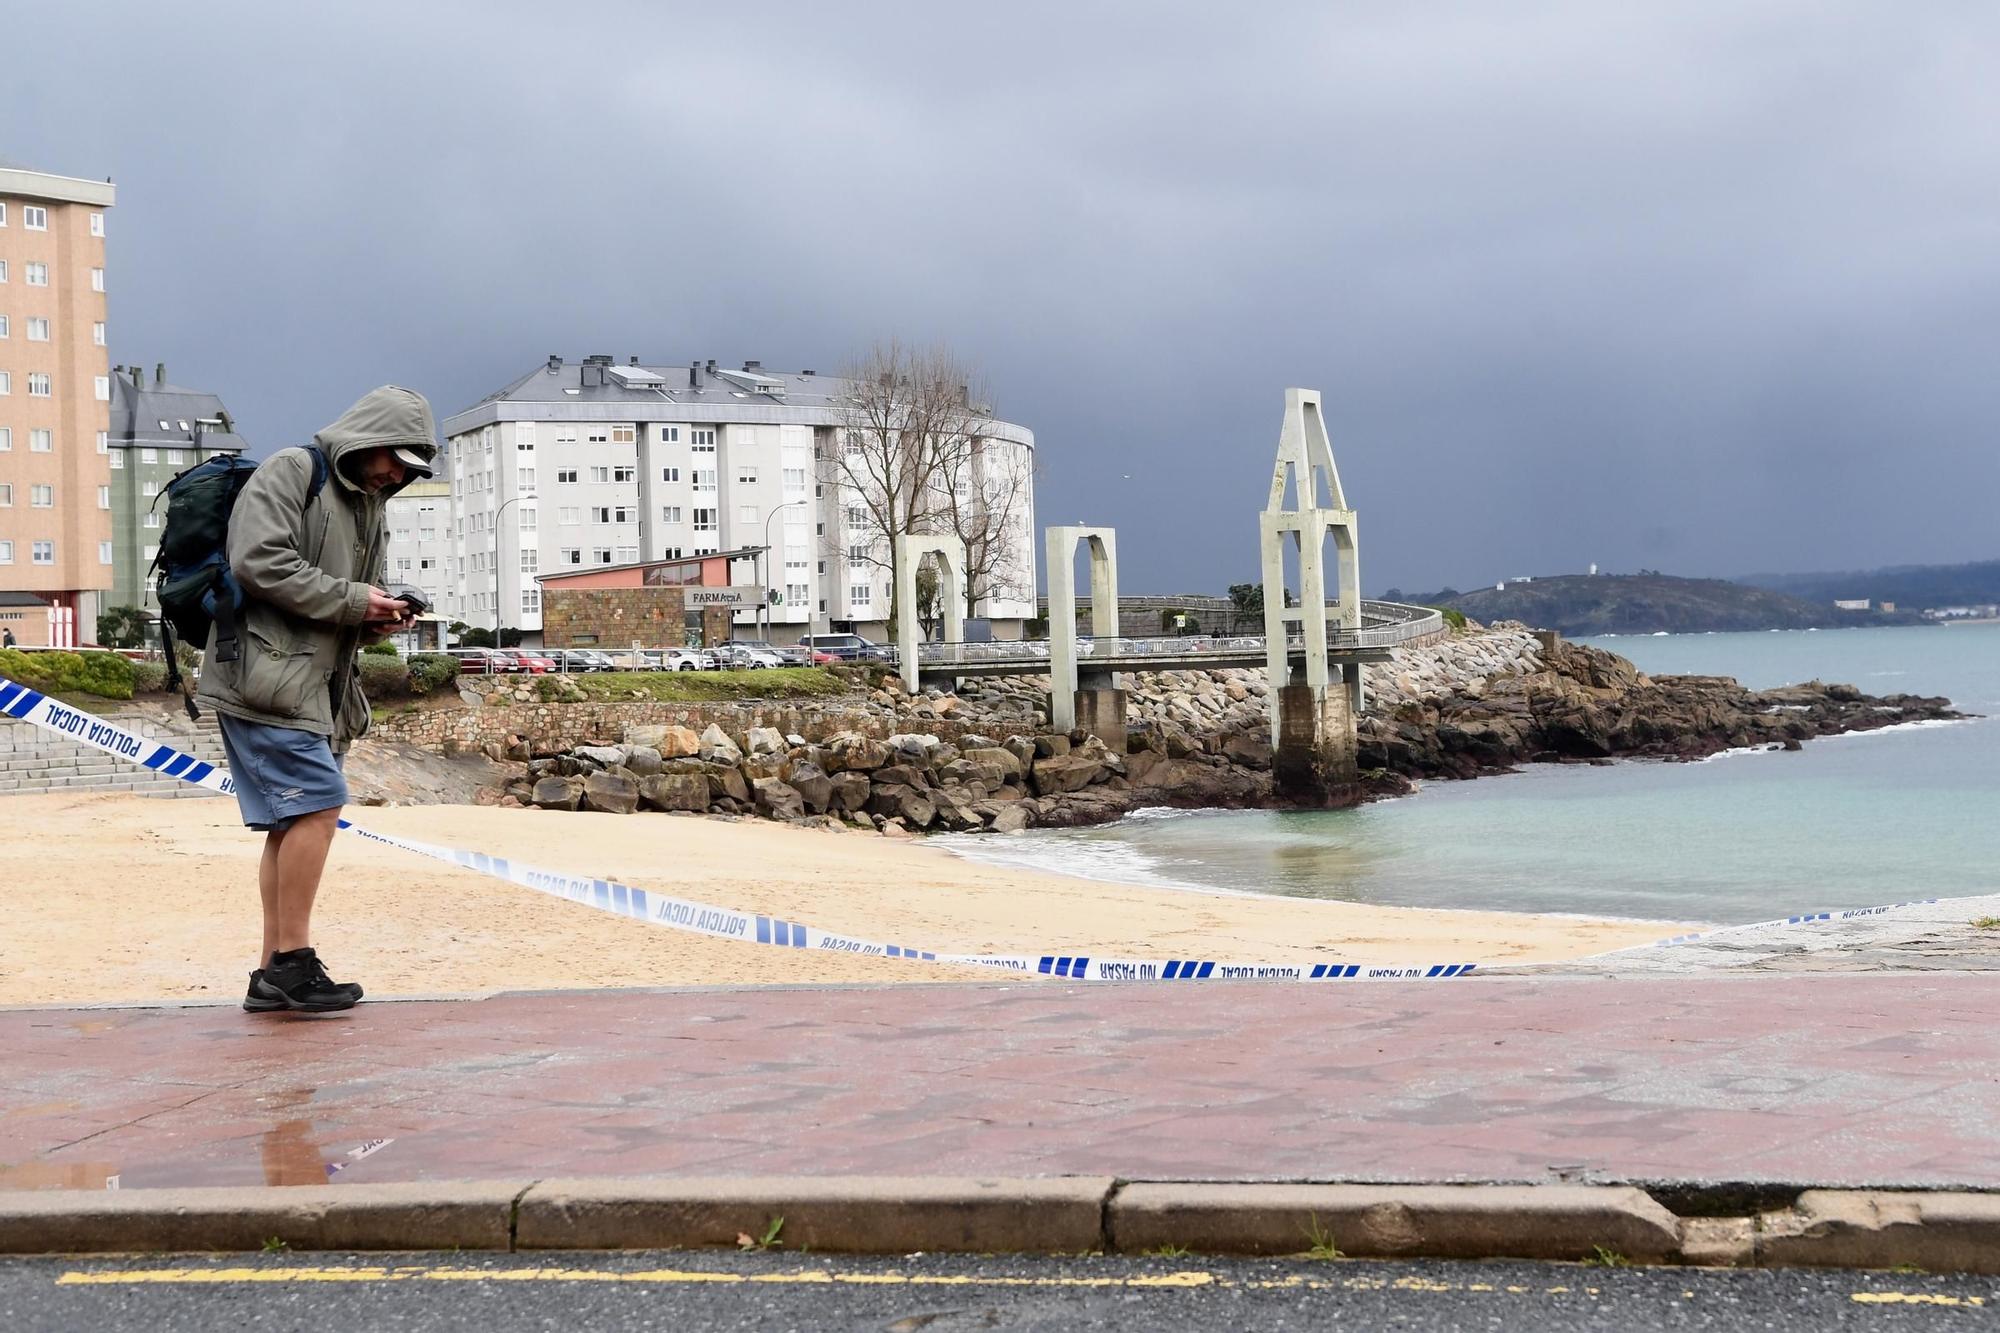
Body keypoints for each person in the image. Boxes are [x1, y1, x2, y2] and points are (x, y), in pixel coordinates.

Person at [198, 386, 437, 1013]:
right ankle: (293, 965)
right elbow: (258, 561)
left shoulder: (369, 504)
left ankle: (272, 970)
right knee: (319, 808)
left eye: (410, 468)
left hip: (313, 682)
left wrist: (375, 615)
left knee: (293, 819)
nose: (396, 474)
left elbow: (338, 592)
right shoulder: (291, 471)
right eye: (394, 458)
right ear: (367, 437)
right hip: (266, 675)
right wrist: (357, 602)